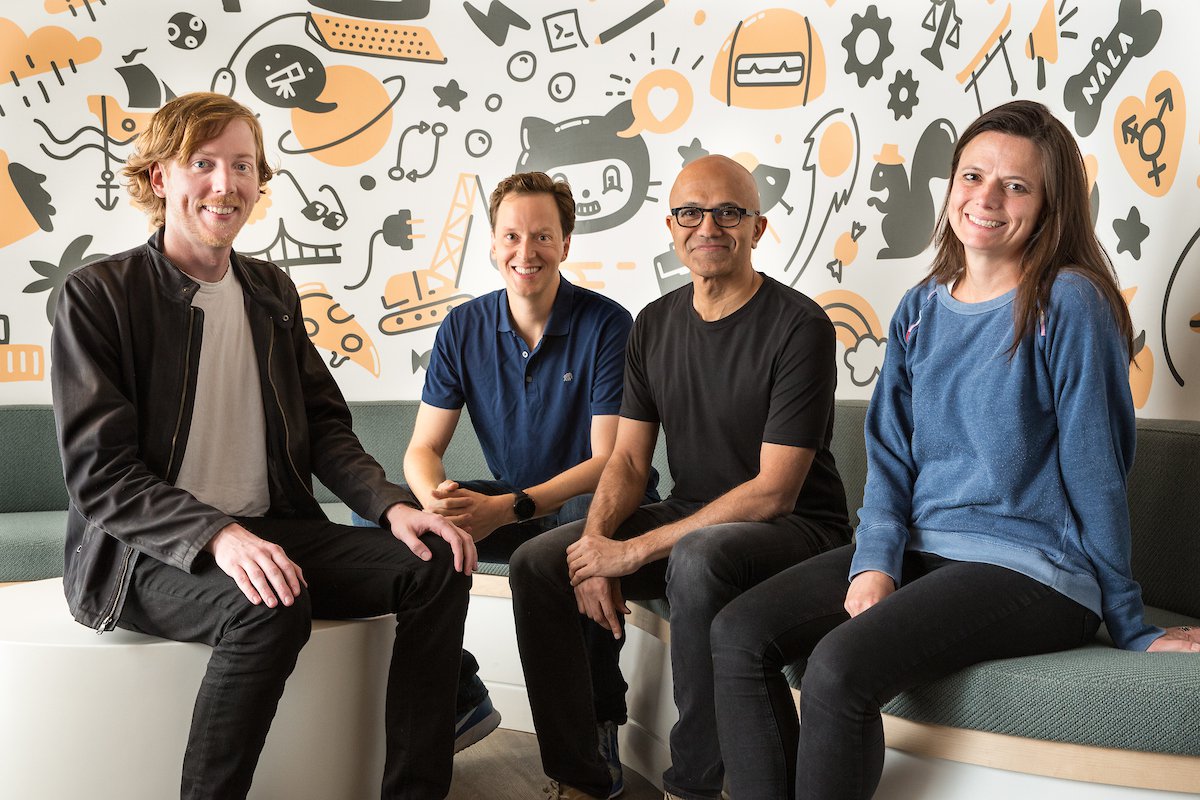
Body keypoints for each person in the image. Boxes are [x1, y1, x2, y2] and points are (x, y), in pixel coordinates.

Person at [709, 100, 1200, 800]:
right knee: (737, 634)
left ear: (1050, 204)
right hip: (925, 547)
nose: (987, 198)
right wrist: (875, 561)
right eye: (973, 175)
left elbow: (1097, 471)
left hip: (1035, 570)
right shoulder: (919, 308)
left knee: (838, 668)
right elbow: (890, 456)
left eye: (1017, 186)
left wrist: (1128, 622)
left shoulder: (1070, 303)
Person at [50, 92, 476, 800]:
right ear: (162, 179)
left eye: (243, 166)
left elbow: (324, 425)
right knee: (268, 606)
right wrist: (217, 535)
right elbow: (101, 475)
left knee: (437, 562)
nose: (227, 184)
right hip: (143, 551)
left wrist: (391, 508)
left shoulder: (270, 290)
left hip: (270, 525)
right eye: (204, 164)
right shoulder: (98, 295)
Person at [510, 155, 851, 800]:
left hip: (799, 527)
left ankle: (694, 786)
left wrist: (633, 550)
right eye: (691, 213)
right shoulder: (654, 324)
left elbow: (775, 489)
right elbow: (631, 461)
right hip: (693, 512)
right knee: (539, 563)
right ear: (672, 227)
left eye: (729, 213)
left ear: (758, 227)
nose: (709, 226)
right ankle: (582, 774)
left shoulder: (800, 326)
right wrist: (594, 546)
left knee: (696, 558)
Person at [360, 171, 657, 767]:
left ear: (566, 245)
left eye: (543, 236)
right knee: (383, 516)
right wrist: (435, 504)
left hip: (600, 503)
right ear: (493, 245)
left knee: (578, 536)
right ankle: (461, 688)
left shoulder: (608, 325)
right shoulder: (463, 327)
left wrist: (505, 508)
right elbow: (421, 450)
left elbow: (605, 464)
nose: (527, 252)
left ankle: (596, 726)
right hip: (517, 502)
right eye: (512, 236)